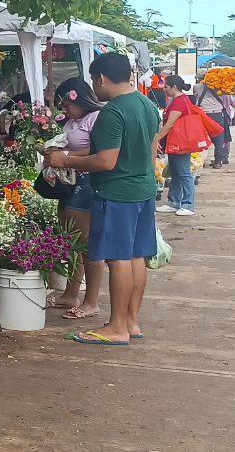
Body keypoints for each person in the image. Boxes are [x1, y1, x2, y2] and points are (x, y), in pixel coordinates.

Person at [43, 52, 161, 345]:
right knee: (136, 257)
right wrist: (69, 155)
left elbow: (107, 160)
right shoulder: (146, 104)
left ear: (102, 78)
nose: (94, 88)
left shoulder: (113, 111)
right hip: (142, 189)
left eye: (94, 81)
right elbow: (146, 148)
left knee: (117, 259)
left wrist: (65, 162)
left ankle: (116, 327)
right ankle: (131, 322)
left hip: (117, 192)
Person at [46, 77, 105, 320]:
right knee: (72, 240)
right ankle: (71, 293)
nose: (64, 109)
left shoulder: (96, 118)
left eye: (67, 104)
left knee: (88, 243)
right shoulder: (71, 120)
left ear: (80, 99)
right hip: (70, 181)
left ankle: (91, 301)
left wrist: (67, 155)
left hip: (88, 181)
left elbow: (100, 151)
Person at [153, 75, 197, 217]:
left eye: (166, 87)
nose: (164, 89)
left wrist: (157, 139)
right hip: (174, 141)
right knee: (175, 172)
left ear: (174, 87)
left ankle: (188, 204)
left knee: (184, 173)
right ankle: (174, 202)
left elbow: (169, 123)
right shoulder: (176, 100)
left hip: (180, 141)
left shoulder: (180, 101)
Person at [193, 73, 235, 168]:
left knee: (201, 137)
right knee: (219, 138)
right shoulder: (220, 87)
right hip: (217, 114)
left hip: (203, 114)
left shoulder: (196, 87)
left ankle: (200, 161)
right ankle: (218, 160)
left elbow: (196, 96)